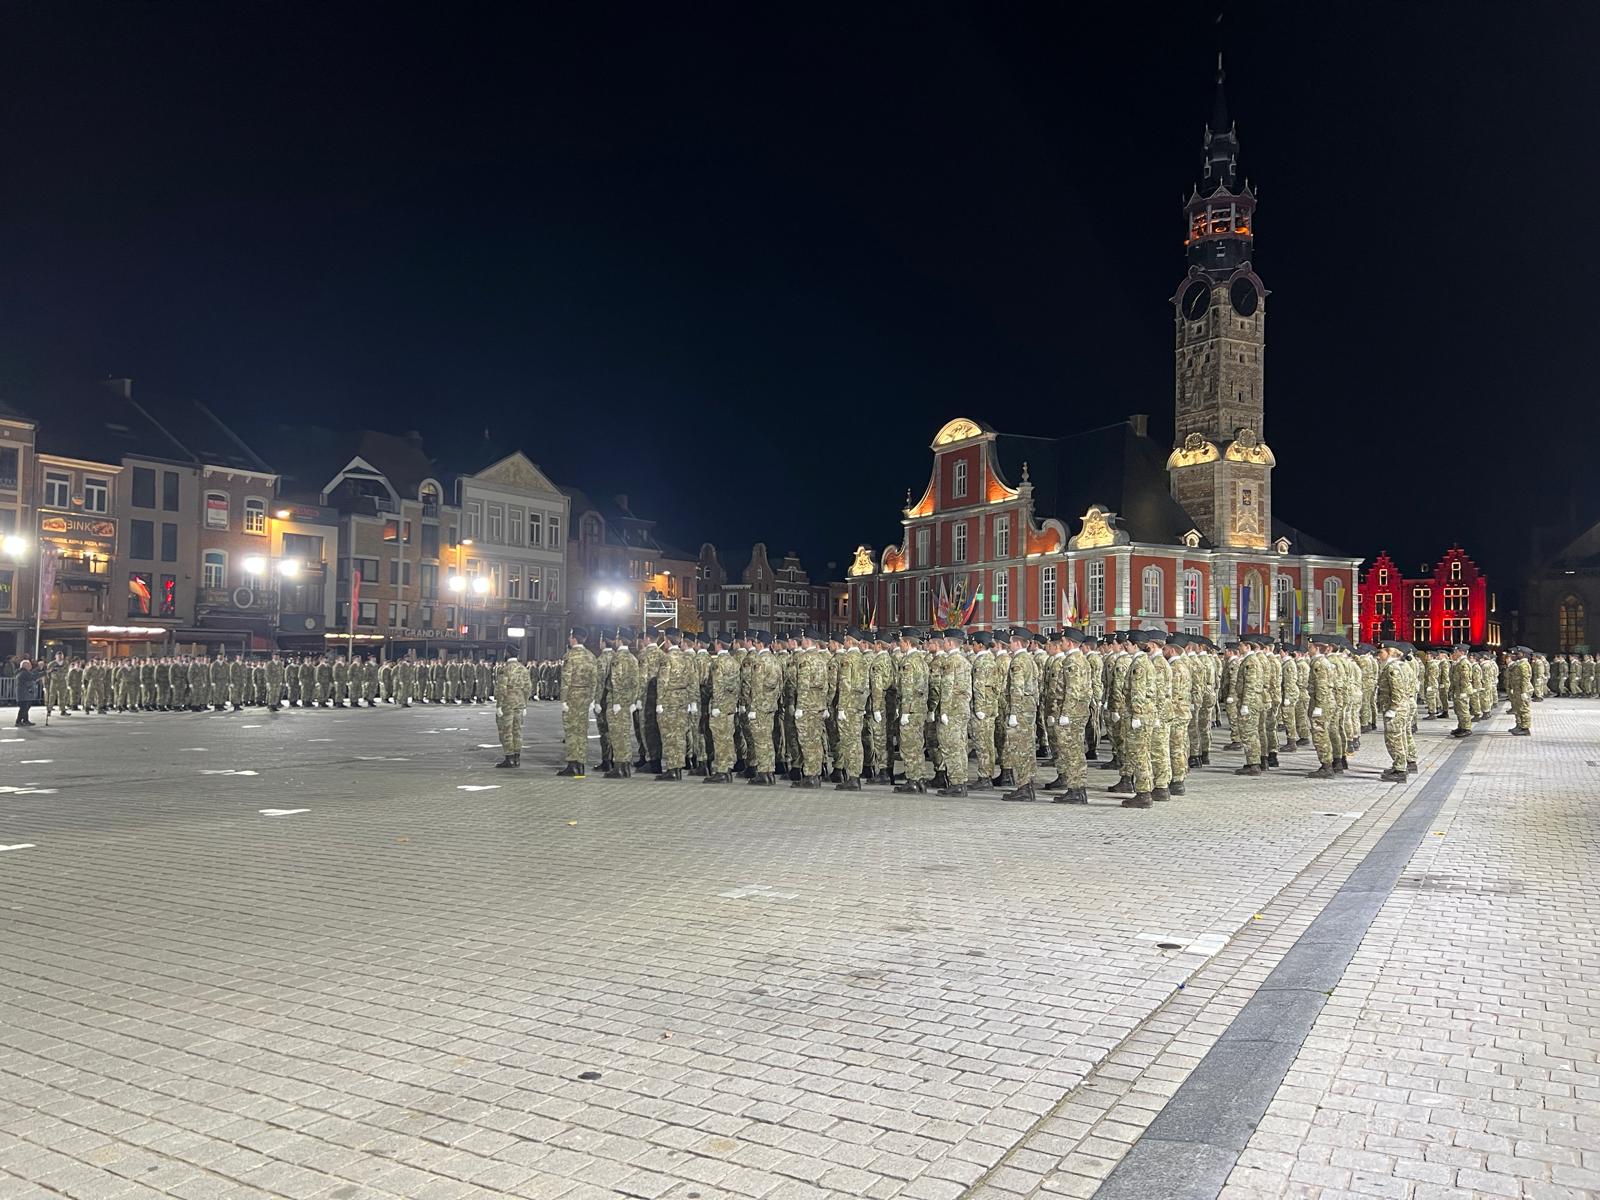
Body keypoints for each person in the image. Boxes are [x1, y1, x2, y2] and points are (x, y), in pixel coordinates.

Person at [557, 627, 597, 778]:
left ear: (574, 638)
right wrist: (592, 697)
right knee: (582, 731)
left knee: (572, 731)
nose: (569, 639)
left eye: (570, 636)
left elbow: (566, 679)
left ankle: (573, 764)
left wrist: (563, 699)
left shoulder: (570, 656)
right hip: (585, 697)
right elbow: (594, 680)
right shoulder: (591, 656)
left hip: (573, 696)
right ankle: (580, 764)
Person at [493, 649, 532, 767]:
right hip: (519, 703)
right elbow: (528, 688)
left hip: (507, 704)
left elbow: (501, 688)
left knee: (506, 730)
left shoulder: (505, 669)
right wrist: (525, 703)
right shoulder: (523, 669)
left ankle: (509, 757)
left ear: (507, 654)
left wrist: (499, 705)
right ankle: (517, 758)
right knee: (517, 730)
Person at [14, 658, 48, 726]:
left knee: (25, 708)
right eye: (29, 665)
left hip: (25, 694)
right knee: (24, 708)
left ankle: (24, 720)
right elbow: (33, 676)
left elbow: (33, 675)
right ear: (25, 666)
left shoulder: (24, 672)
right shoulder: (23, 673)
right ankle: (19, 721)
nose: (31, 666)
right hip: (23, 694)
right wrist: (45, 672)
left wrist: (40, 669)